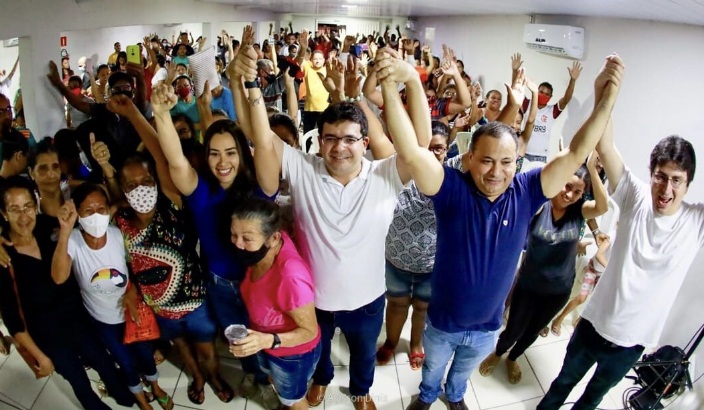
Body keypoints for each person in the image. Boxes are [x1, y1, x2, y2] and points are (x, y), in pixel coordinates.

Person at [373, 47, 624, 410]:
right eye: (487, 160)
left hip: (488, 327)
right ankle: (427, 397)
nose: (496, 171)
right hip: (443, 321)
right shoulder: (450, 189)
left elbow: (574, 154)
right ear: (470, 157)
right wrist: (393, 81)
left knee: (462, 373)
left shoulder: (527, 192)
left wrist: (607, 99)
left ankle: (455, 396)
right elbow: (411, 152)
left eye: (506, 162)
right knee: (433, 369)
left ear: (517, 161)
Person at [231, 35, 420, 410]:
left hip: (367, 298)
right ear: (319, 143)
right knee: (317, 349)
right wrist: (244, 82)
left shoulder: (386, 175)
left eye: (349, 139)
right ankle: (322, 380)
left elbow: (418, 143)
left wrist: (408, 80)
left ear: (364, 142)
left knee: (364, 353)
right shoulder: (303, 169)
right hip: (315, 299)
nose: (339, 147)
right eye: (330, 138)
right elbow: (259, 135)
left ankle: (362, 390)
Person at [537, 124, 703, 408]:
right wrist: (610, 88)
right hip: (592, 326)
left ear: (688, 184)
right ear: (651, 175)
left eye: (677, 180)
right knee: (562, 384)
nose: (666, 189)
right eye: (660, 177)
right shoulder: (635, 197)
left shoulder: (695, 222)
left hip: (630, 344)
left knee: (591, 399)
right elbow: (605, 146)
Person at [151, 82, 277, 407]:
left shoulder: (259, 189)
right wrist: (161, 115)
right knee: (238, 335)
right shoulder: (200, 191)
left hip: (259, 283)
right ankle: (254, 375)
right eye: (214, 153)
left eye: (231, 153)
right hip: (220, 286)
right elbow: (176, 162)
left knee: (265, 334)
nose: (223, 162)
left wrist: (249, 89)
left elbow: (264, 145)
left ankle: (272, 376)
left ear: (242, 154)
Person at [103, 93, 228, 406]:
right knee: (182, 348)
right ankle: (197, 377)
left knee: (206, 350)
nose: (140, 187)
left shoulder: (170, 203)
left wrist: (134, 113)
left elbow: (161, 155)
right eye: (131, 184)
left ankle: (212, 376)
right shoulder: (121, 220)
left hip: (195, 299)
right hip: (160, 307)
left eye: (146, 179)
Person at [0, 176, 135, 410]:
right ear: (3, 214)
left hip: (79, 319)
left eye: (28, 207)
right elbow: (13, 318)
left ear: (36, 205)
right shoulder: (4, 258)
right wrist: (39, 356)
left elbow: (88, 225)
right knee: (77, 380)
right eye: (14, 209)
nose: (23, 217)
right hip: (48, 335)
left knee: (103, 361)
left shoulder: (47, 226)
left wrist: (112, 207)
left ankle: (123, 395)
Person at [478, 153, 608, 385]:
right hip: (529, 285)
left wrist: (593, 170)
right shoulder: (541, 206)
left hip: (558, 290)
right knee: (514, 329)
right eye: (566, 186)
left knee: (533, 332)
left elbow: (603, 206)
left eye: (577, 192)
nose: (569, 195)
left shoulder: (579, 211)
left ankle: (514, 358)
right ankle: (498, 354)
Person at [52, 184, 173, 410]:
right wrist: (66, 231)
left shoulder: (117, 234)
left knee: (145, 354)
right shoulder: (74, 241)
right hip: (103, 320)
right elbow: (59, 277)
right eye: (89, 211)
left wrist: (132, 293)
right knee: (125, 362)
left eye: (101, 208)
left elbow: (133, 270)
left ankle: (155, 387)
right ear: (77, 213)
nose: (96, 216)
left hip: (130, 313)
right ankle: (140, 398)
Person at [377, 121, 460, 371]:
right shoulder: (398, 170)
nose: (432, 153)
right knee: (396, 304)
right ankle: (391, 342)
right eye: (426, 147)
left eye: (439, 148)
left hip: (432, 264)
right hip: (396, 259)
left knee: (423, 308)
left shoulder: (451, 174)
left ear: (446, 150)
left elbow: (486, 153)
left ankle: (415, 345)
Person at [228, 198, 321, 410]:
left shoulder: (291, 277)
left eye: (247, 239)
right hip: (267, 343)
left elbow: (309, 331)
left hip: (290, 356)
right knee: (279, 385)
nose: (237, 244)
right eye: (234, 234)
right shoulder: (262, 250)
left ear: (274, 238)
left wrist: (268, 340)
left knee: (294, 399)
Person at [515, 53, 583, 163]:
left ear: (550, 97)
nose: (543, 95)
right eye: (541, 92)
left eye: (547, 94)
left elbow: (566, 99)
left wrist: (573, 80)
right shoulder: (527, 104)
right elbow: (516, 90)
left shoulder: (552, 111)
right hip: (523, 152)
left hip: (540, 156)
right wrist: (515, 71)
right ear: (536, 90)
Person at [550, 232, 612, 335]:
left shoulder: (628, 245)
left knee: (594, 302)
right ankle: (559, 319)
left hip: (604, 274)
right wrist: (612, 268)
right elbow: (599, 255)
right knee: (581, 298)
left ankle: (578, 324)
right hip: (593, 270)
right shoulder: (611, 238)